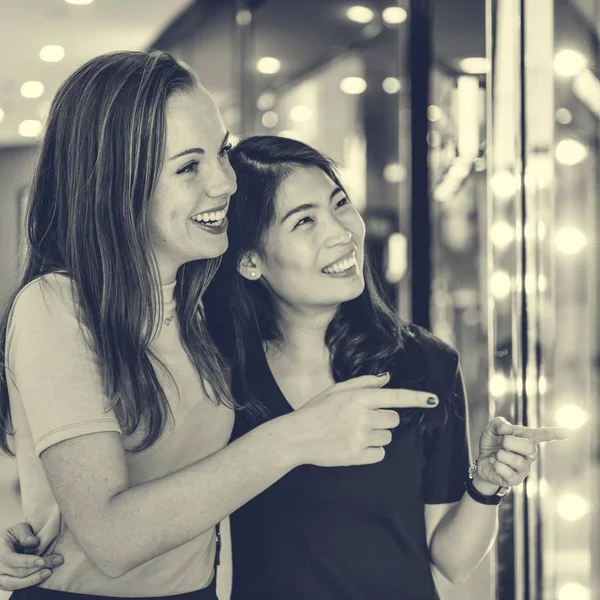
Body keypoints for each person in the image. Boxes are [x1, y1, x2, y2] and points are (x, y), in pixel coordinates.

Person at [1, 134, 574, 599]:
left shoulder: (424, 364)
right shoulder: (215, 371)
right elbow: (120, 482)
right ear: (249, 260)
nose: (342, 232)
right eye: (303, 221)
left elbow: (448, 558)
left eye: (339, 204)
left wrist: (487, 487)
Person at [0, 52, 435, 600]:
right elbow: (110, 539)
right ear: (115, 184)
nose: (225, 182)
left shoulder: (203, 298)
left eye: (222, 151)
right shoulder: (55, 306)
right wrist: (297, 436)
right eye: (189, 167)